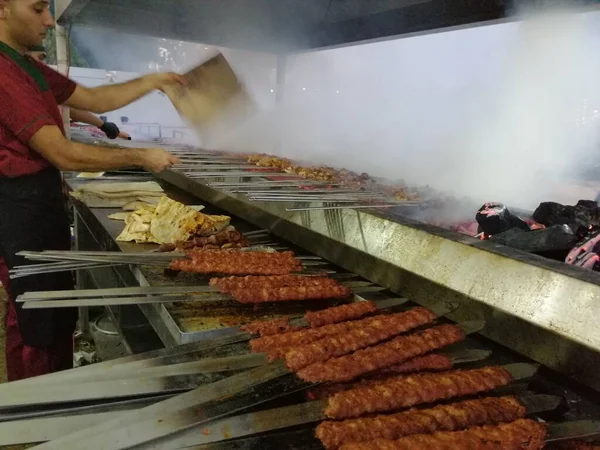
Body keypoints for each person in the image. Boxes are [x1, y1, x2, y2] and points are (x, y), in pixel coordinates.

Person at [0, 0, 184, 381]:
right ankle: (37, 413)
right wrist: (141, 157)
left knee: (52, 309)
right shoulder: (2, 72)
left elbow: (96, 101)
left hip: (38, 201)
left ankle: (57, 394)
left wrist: (156, 80)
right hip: (18, 206)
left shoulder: (26, 67)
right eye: (38, 9)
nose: (49, 21)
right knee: (36, 315)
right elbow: (60, 152)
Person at [28, 44, 131, 140]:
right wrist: (103, 125)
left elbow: (69, 109)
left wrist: (103, 125)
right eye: (40, 58)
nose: (42, 64)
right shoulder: (24, 83)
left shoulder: (38, 83)